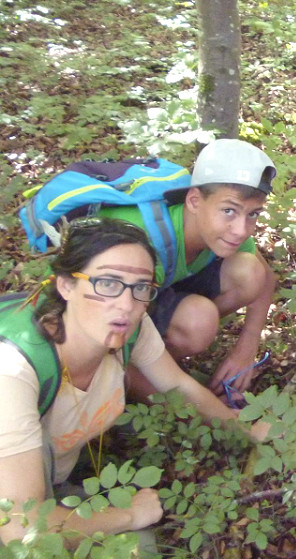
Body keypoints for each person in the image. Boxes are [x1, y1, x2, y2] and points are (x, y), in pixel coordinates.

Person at [0, 219, 269, 559]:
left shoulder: (129, 331)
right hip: (13, 519)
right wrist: (127, 515)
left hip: (43, 492)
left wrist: (245, 428)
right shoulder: (13, 371)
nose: (125, 304)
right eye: (107, 283)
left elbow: (176, 384)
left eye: (140, 287)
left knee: (138, 550)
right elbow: (22, 529)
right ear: (66, 285)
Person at [101, 138, 278, 401]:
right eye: (229, 210)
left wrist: (246, 348)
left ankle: (164, 354)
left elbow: (265, 279)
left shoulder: (220, 229)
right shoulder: (137, 245)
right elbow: (110, 348)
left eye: (253, 214)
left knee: (249, 272)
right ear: (194, 201)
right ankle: (142, 377)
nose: (242, 230)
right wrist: (205, 415)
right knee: (197, 324)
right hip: (105, 323)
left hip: (155, 287)